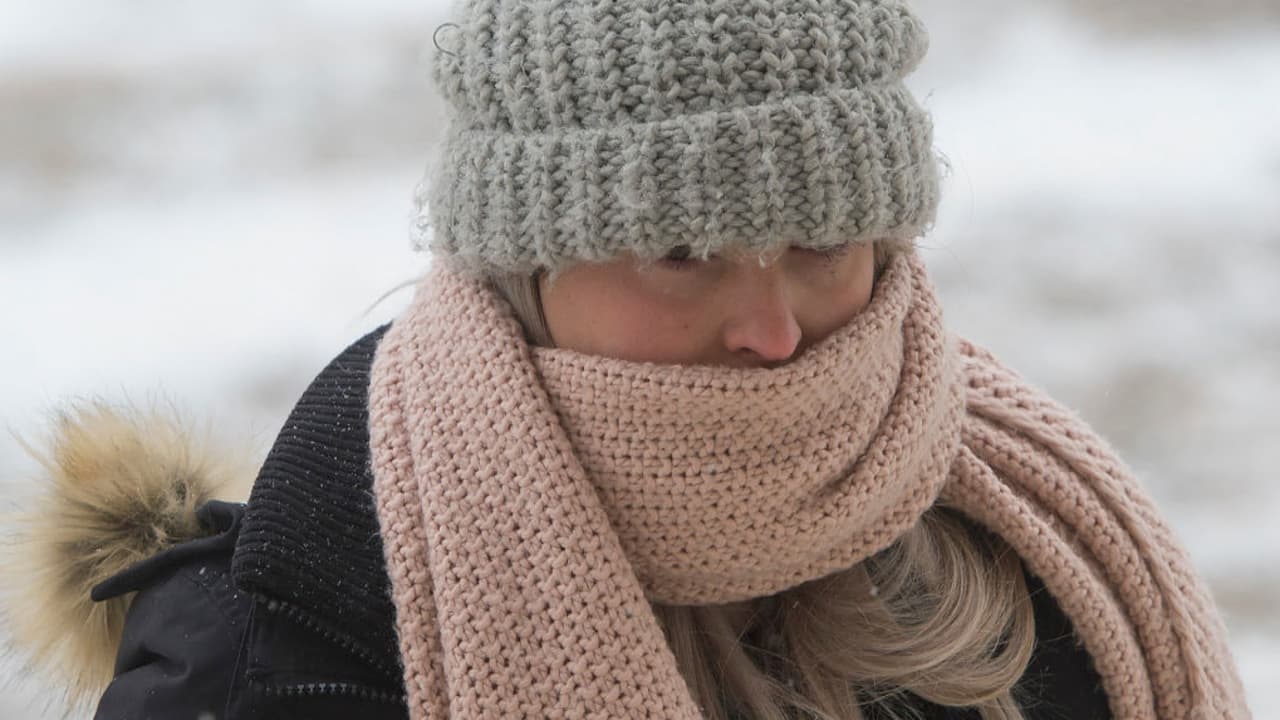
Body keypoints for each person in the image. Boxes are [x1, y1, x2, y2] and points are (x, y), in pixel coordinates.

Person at [1, 1, 1250, 719]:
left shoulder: (1036, 561)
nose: (771, 329)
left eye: (823, 241)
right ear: (524, 267)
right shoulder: (279, 662)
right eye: (680, 249)